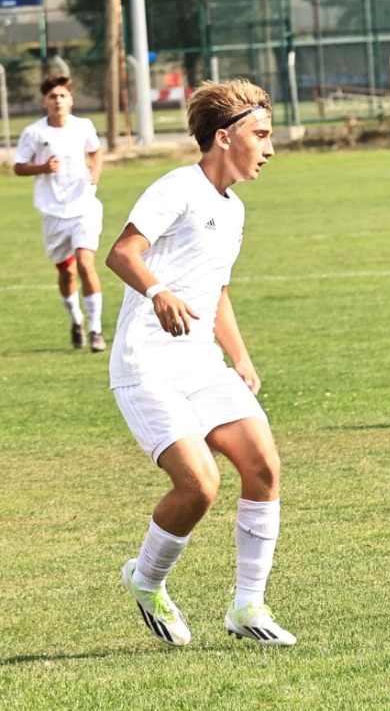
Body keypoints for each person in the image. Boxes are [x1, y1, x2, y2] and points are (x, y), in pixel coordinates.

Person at [105, 80, 296, 646]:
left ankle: (247, 607)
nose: (268, 148)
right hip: (147, 364)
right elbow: (121, 252)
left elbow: (218, 291)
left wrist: (239, 356)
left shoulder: (234, 210)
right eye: (260, 135)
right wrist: (158, 292)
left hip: (201, 361)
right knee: (200, 487)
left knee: (262, 466)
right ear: (223, 136)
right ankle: (146, 580)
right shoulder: (176, 189)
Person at [13, 75, 107, 351]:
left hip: (84, 206)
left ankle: (95, 330)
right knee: (67, 272)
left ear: (71, 100)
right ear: (45, 102)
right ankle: (76, 320)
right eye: (52, 97)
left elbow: (96, 150)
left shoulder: (83, 126)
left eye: (62, 96)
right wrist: (42, 168)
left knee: (86, 261)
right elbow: (18, 166)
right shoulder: (34, 133)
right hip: (53, 212)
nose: (58, 101)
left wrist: (97, 171)